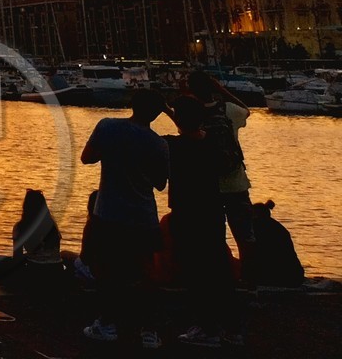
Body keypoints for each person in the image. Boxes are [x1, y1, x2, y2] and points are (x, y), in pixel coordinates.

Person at [79, 87, 169, 349]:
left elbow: (87, 158)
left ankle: (107, 324)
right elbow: (160, 183)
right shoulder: (159, 143)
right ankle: (148, 330)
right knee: (146, 272)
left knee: (108, 270)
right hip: (143, 215)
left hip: (108, 213)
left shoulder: (108, 127)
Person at [164, 94, 243, 348]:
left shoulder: (173, 146)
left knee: (195, 271)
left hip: (186, 213)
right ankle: (231, 328)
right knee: (218, 268)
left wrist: (165, 111)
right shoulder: (212, 144)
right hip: (212, 210)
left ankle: (207, 327)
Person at [186, 70, 255, 290]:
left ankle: (217, 280)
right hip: (236, 184)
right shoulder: (228, 111)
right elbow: (247, 110)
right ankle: (249, 281)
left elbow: (181, 124)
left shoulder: (191, 113)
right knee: (245, 235)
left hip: (207, 186)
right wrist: (222, 90)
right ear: (212, 87)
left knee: (211, 237)